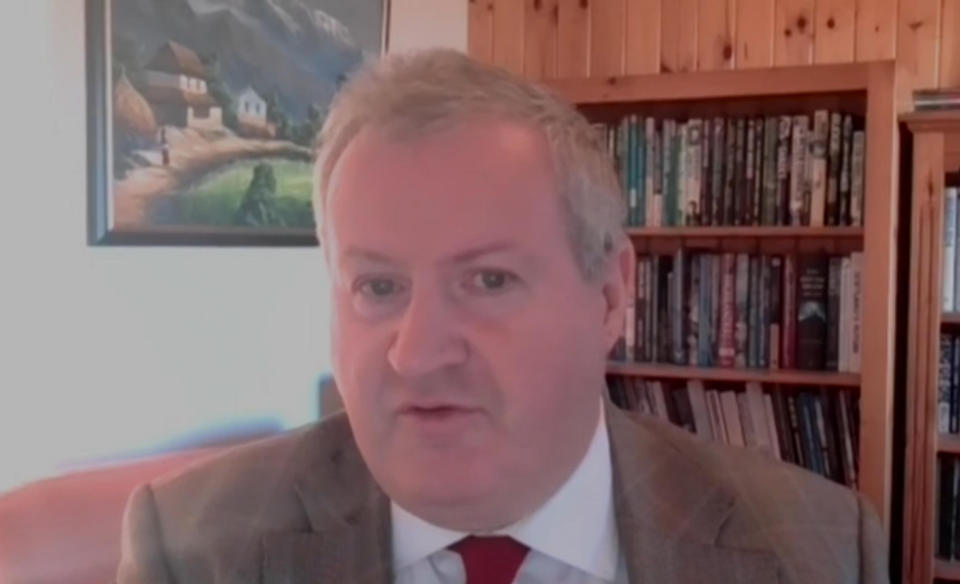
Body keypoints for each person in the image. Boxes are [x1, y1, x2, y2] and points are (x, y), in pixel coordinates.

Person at [117, 48, 888, 584]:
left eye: (489, 280)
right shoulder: (193, 551)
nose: (416, 356)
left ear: (612, 295)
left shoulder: (816, 548)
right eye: (378, 287)